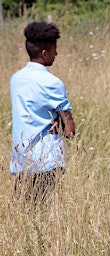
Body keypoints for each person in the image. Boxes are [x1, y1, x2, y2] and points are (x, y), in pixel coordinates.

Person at [10, 21, 76, 206]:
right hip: (46, 160)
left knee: (24, 213)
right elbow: (70, 130)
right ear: (45, 53)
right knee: (45, 214)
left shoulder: (16, 79)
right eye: (55, 49)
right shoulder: (52, 82)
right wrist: (60, 123)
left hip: (21, 159)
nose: (57, 54)